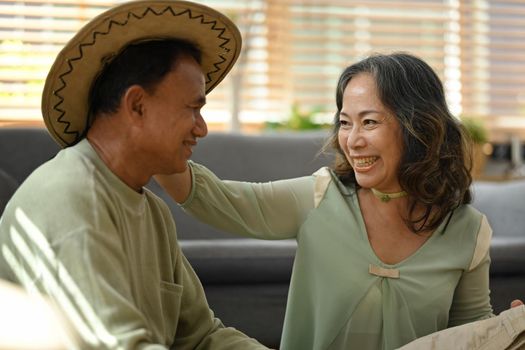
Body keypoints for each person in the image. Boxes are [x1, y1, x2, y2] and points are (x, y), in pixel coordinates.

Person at [156, 52, 523, 350]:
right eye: (345, 123)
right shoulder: (318, 197)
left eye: (369, 122)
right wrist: (149, 138)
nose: (352, 140)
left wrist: (507, 331)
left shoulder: (468, 231)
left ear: (418, 128)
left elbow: (470, 330)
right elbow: (211, 198)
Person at [0, 1, 268, 349]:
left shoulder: (154, 213)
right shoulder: (69, 198)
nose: (201, 128)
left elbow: (202, 336)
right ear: (137, 105)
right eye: (193, 108)